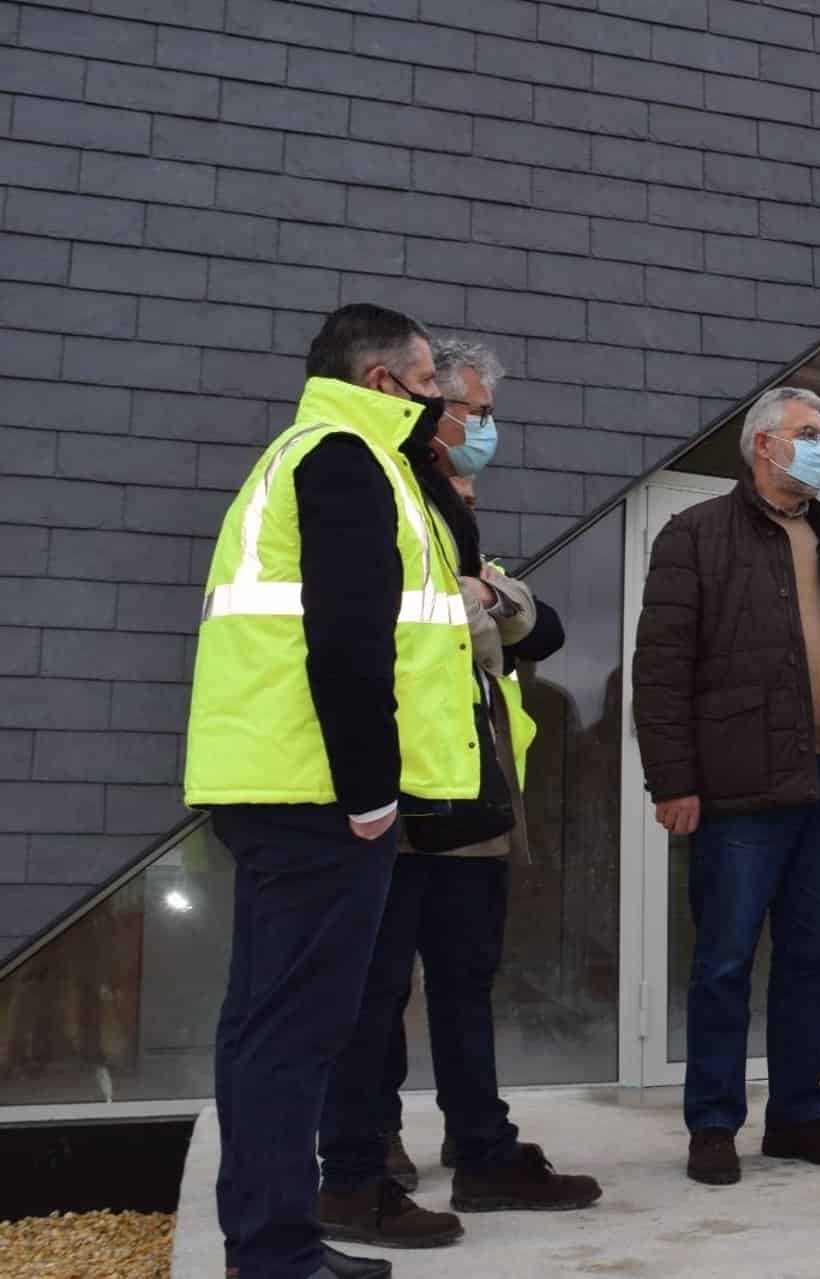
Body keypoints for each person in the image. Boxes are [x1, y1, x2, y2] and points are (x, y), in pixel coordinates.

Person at [183, 303, 478, 1279]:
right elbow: (349, 636)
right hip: (317, 793)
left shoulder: (311, 452)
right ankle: (275, 1253)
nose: (442, 394)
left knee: (262, 1025)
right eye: (430, 375)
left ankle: (268, 1240)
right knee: (293, 1033)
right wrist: (370, 791)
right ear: (386, 381)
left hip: (278, 783)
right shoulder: (347, 458)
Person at [315, 338, 598, 1249]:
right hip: (404, 783)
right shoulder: (383, 488)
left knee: (468, 978)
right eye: (463, 405)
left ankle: (482, 1149)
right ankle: (361, 1162)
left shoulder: (453, 508)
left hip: (470, 781)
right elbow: (399, 626)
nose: (479, 425)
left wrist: (497, 600)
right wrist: (484, 604)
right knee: (375, 986)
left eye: (479, 409)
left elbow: (534, 627)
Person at [632, 385, 820, 1187]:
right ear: (762, 446)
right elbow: (661, 668)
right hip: (736, 787)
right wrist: (671, 778)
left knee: (813, 958)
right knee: (723, 960)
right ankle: (713, 1123)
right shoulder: (697, 534)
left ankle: (798, 1115)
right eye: (807, 433)